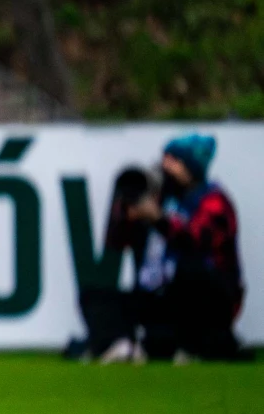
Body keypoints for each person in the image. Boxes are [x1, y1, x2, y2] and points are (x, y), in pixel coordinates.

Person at [79, 134, 245, 362]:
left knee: (190, 273)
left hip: (205, 299)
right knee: (93, 295)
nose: (165, 166)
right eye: (164, 159)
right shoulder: (159, 199)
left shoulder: (213, 201)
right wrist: (125, 211)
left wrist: (158, 219)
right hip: (160, 297)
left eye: (174, 161)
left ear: (192, 167)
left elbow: (194, 241)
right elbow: (114, 245)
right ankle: (123, 345)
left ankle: (197, 344)